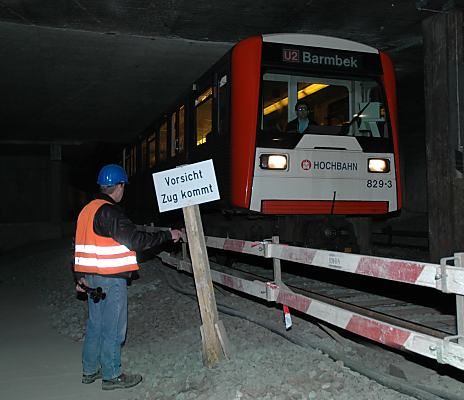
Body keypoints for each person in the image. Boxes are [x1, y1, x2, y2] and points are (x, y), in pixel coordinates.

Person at [73, 164, 182, 391]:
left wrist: (79, 277)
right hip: (110, 279)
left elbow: (77, 246)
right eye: (124, 186)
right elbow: (135, 240)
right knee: (113, 326)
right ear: (119, 186)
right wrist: (167, 235)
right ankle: (112, 375)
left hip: (91, 279)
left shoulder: (87, 210)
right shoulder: (109, 212)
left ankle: (90, 370)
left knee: (96, 324)